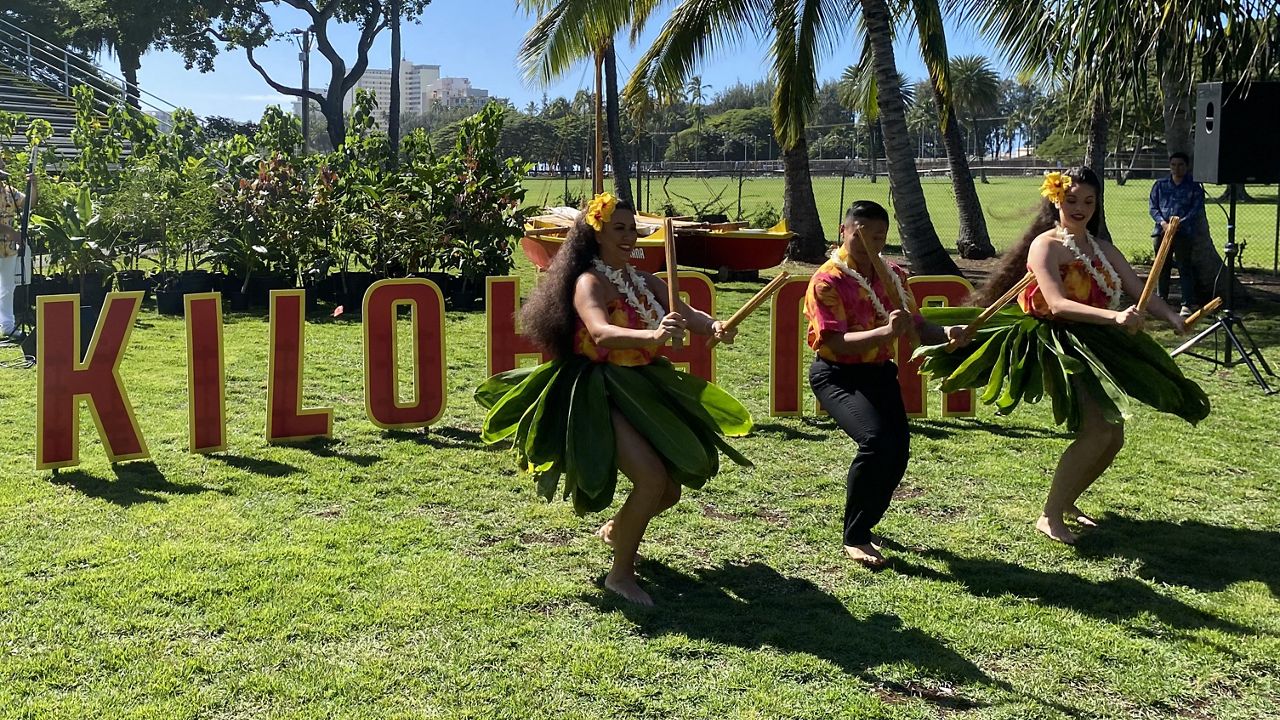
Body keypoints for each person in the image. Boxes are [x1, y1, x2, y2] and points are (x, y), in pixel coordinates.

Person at [475, 193, 752, 606]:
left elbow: (687, 315)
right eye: (618, 228)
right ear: (596, 231)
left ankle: (616, 530)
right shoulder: (589, 281)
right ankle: (620, 576)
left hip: (644, 384)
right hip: (597, 389)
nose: (629, 236)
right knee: (652, 480)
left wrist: (714, 325)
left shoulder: (644, 280)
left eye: (632, 229)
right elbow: (601, 332)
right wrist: (653, 336)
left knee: (668, 492)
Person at [917, 168, 1210, 545]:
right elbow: (1056, 304)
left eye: (1089, 201)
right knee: (1099, 430)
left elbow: (1141, 290)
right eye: (1072, 200)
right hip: (1059, 341)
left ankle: (1067, 502)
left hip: (1100, 338)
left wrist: (1173, 317)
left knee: (1113, 436)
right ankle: (1049, 515)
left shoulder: (1101, 247)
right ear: (1056, 199)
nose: (1080, 208)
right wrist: (1116, 316)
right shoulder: (1046, 245)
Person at [804, 200, 968, 568]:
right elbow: (831, 342)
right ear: (843, 232)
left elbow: (915, 325)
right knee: (876, 442)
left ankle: (866, 522)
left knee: (898, 453)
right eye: (860, 234)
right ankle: (856, 536)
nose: (868, 242)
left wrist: (946, 334)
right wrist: (884, 332)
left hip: (879, 372)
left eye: (877, 236)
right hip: (836, 375)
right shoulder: (827, 280)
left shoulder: (894, 274)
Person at [1149, 152, 1207, 316]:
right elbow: (1153, 207)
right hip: (1161, 231)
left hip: (1184, 233)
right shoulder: (1160, 185)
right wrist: (1163, 223)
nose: (1177, 168)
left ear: (1186, 166)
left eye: (1180, 165)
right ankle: (1161, 300)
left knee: (1184, 267)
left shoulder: (1194, 187)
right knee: (1161, 266)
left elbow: (1196, 209)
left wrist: (1179, 224)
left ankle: (1186, 303)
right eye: (1173, 165)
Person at [0, 157, 37, 338]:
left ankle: (8, 326)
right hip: (9, 239)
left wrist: (33, 185)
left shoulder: (9, 191)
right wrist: (11, 232)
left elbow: (30, 202)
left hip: (7, 248)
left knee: (7, 288)